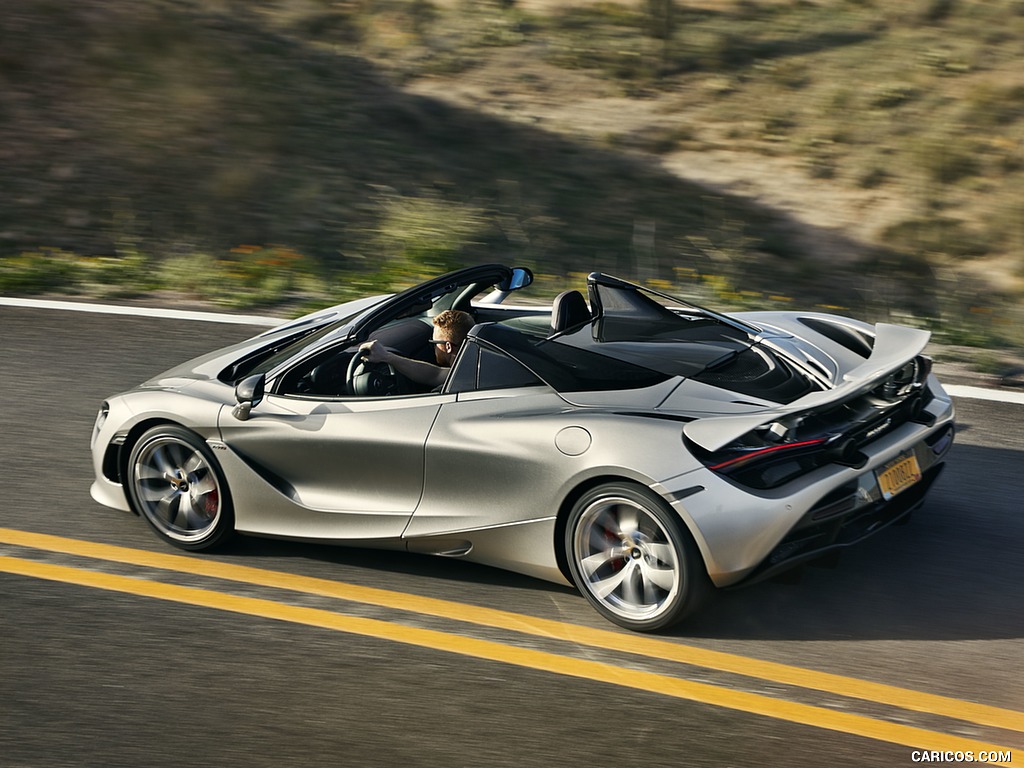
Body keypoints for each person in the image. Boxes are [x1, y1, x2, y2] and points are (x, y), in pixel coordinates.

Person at [358, 309, 475, 390]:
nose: (433, 348)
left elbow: (434, 375)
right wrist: (387, 357)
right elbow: (436, 374)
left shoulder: (460, 383)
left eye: (434, 343)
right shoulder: (477, 365)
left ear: (448, 347)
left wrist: (386, 356)